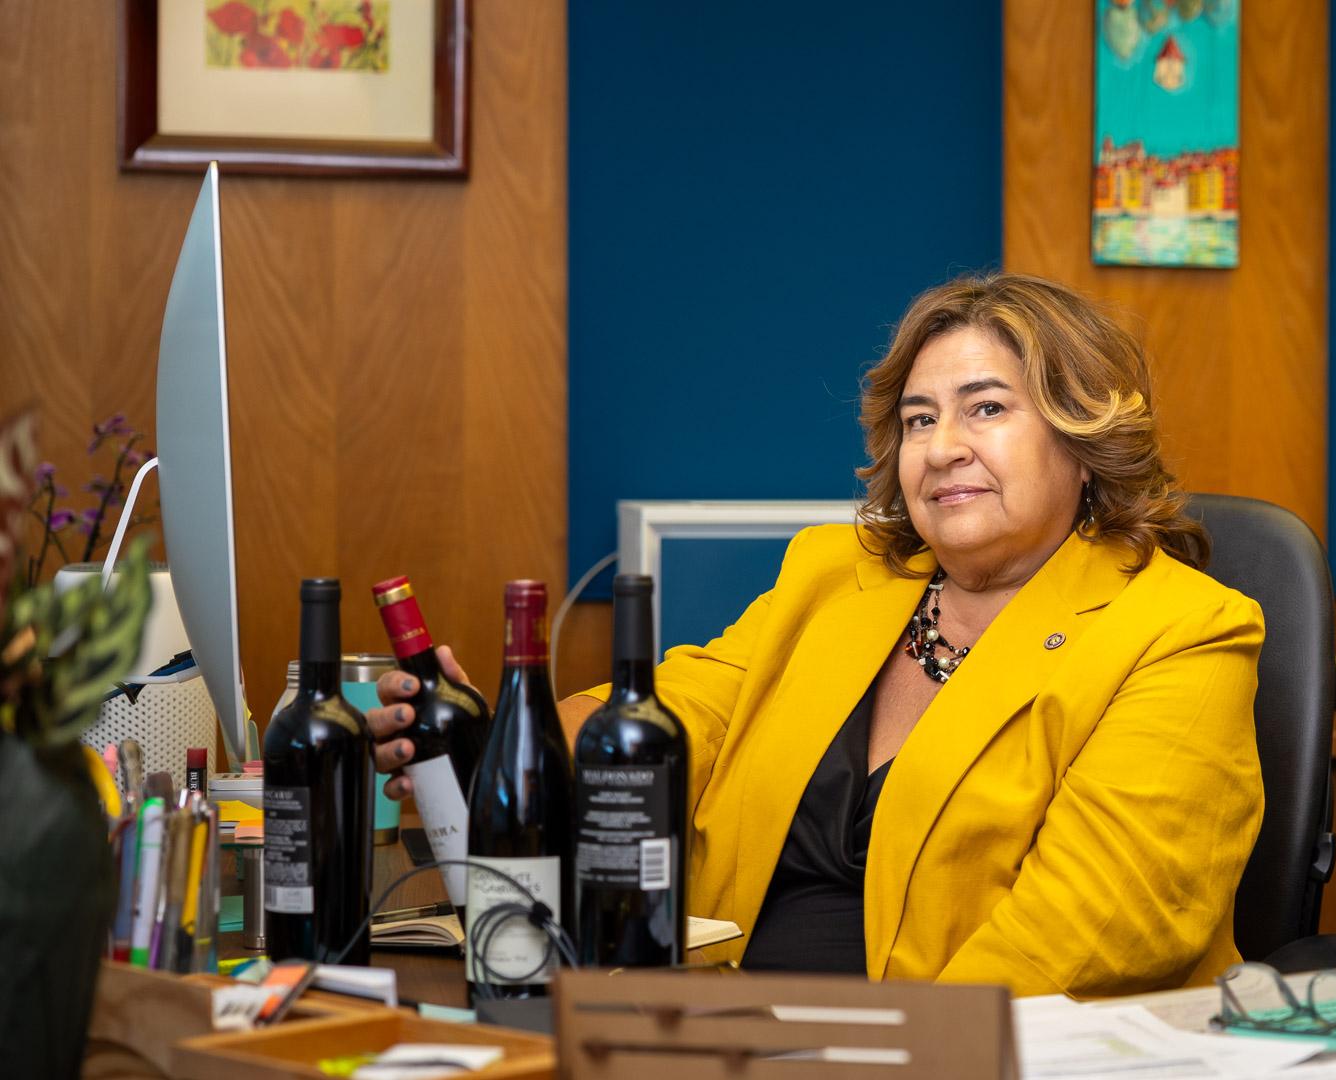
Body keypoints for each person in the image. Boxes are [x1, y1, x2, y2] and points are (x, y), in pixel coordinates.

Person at [368, 272, 1265, 998]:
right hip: (715, 1033)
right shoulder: (837, 578)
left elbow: (1090, 927)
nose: (942, 446)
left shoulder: (1183, 630)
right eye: (919, 419)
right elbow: (663, 721)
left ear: (1086, 438)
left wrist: (879, 1061)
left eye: (986, 409)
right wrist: (504, 751)